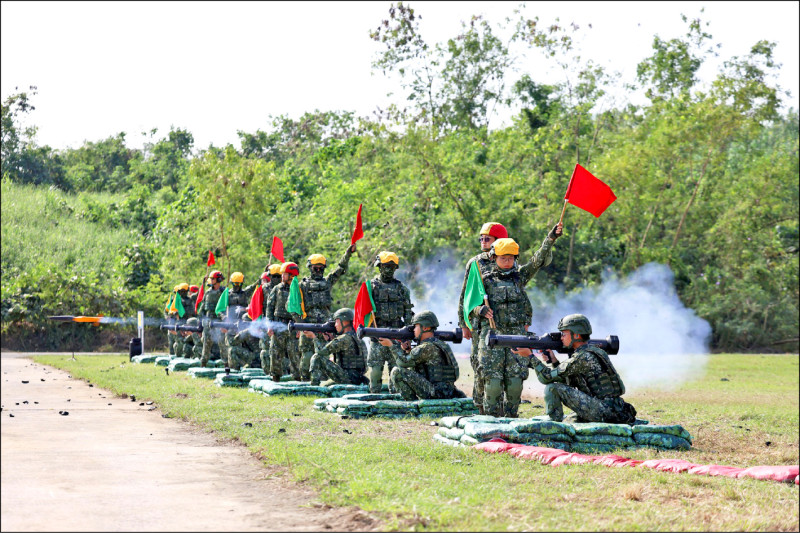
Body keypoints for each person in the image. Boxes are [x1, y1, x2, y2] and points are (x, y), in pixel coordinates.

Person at [472, 226, 562, 418]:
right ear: (494, 258)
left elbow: (537, 261)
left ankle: (511, 418)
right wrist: (481, 309)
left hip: (516, 337)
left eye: (511, 258)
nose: (507, 262)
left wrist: (551, 238)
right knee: (493, 383)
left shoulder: (520, 277)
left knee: (514, 383)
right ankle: (490, 421)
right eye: (503, 258)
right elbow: (470, 305)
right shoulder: (483, 279)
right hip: (492, 338)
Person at [514, 314, 636, 424]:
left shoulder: (582, 357)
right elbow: (568, 380)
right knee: (570, 421)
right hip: (612, 408)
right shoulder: (591, 351)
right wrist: (554, 361)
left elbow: (546, 378)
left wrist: (530, 356)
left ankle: (553, 425)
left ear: (576, 335)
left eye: (564, 334)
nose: (561, 338)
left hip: (604, 411)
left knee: (553, 388)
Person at [457, 222, 508, 414]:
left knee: (502, 366)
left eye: (487, 238)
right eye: (481, 238)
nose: (482, 241)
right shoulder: (475, 262)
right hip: (479, 324)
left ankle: (499, 404)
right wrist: (464, 323)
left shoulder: (509, 259)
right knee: (479, 364)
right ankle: (480, 405)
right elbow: (465, 295)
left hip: (503, 323)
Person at [292, 244, 357, 380]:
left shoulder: (327, 282)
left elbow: (341, 269)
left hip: (325, 327)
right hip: (308, 326)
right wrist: (300, 325)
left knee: (323, 356)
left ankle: (321, 384)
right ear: (310, 268)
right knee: (307, 358)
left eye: (321, 268)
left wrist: (348, 253)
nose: (318, 270)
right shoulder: (302, 285)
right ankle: (305, 383)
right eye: (316, 268)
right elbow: (293, 307)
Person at [380, 311, 465, 401]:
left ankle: (412, 406)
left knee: (397, 372)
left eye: (415, 326)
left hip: (436, 393)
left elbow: (402, 363)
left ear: (425, 328)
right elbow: (420, 362)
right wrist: (408, 350)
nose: (413, 330)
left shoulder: (426, 347)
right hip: (446, 391)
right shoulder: (440, 344)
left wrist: (391, 345)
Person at [366, 251, 414, 393]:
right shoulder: (371, 288)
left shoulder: (401, 289)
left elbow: (407, 313)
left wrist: (407, 336)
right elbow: (364, 312)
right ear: (379, 267)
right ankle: (374, 398)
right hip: (377, 335)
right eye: (386, 266)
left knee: (396, 371)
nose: (388, 270)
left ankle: (396, 400)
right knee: (375, 371)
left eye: (391, 267)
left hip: (397, 335)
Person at [304, 308, 368, 386]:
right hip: (357, 378)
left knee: (316, 357)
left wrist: (314, 337)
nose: (335, 325)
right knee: (325, 385)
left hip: (347, 378)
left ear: (344, 322)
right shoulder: (357, 338)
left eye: (337, 322)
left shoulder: (344, 338)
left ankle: (314, 387)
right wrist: (330, 339)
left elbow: (320, 352)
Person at [266, 262, 302, 381]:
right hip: (278, 325)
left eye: (285, 274)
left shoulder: (298, 289)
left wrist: (300, 327)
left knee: (294, 354)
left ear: (291, 275)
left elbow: (302, 309)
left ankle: (297, 379)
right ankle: (275, 377)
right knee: (275, 352)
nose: (282, 276)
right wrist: (269, 325)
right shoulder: (277, 289)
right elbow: (270, 307)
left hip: (293, 326)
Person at [198, 270, 225, 367]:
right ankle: (203, 364)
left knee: (222, 343)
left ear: (218, 279)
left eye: (212, 278)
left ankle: (226, 365)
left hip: (219, 322)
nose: (211, 280)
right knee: (206, 343)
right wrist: (199, 326)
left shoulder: (224, 292)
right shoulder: (208, 293)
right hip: (208, 322)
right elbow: (202, 310)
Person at [258, 265, 283, 373]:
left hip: (281, 322)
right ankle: (268, 372)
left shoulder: (284, 288)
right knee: (266, 350)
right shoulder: (264, 288)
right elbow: (258, 304)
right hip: (267, 322)